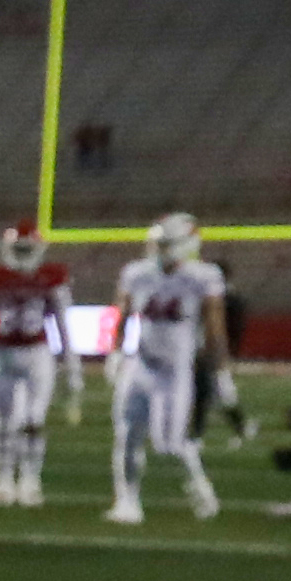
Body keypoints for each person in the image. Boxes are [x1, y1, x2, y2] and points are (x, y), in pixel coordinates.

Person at [103, 210, 230, 524]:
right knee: (127, 434)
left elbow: (215, 329)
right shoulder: (137, 272)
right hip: (140, 364)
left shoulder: (203, 276)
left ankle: (200, 486)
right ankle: (127, 502)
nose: (160, 250)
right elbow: (123, 313)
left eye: (168, 244)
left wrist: (222, 373)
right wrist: (116, 352)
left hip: (175, 372)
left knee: (169, 445)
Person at [0, 221, 73, 504]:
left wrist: (71, 364)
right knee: (1, 423)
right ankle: (2, 480)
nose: (23, 254)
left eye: (27, 249)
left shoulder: (52, 277)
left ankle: (30, 479)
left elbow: (62, 324)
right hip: (1, 353)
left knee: (33, 420)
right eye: (19, 249)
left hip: (37, 353)